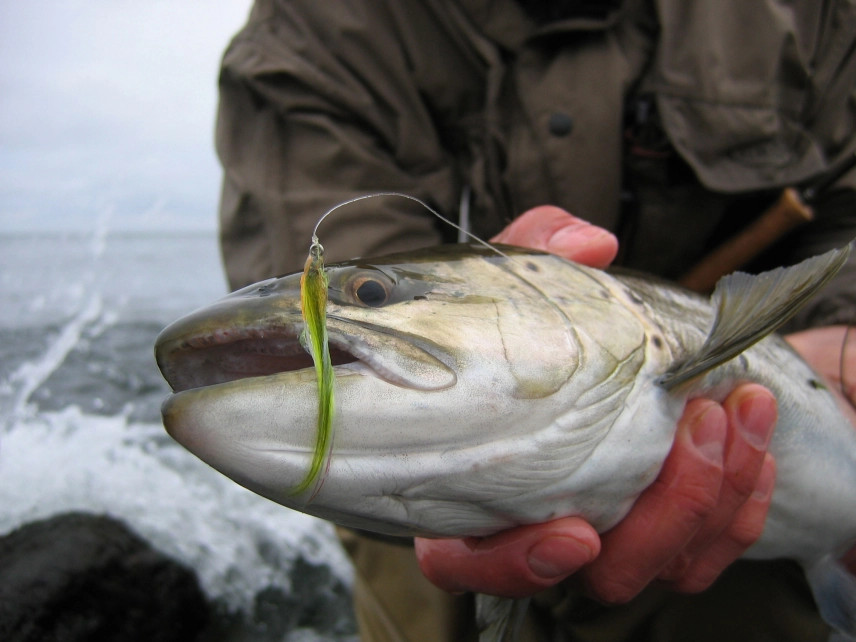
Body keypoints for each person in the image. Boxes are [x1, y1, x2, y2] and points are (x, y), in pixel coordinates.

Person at [214, 0, 856, 639]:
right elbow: (317, 351)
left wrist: (845, 332)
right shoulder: (313, 28)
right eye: (372, 294)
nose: (370, 299)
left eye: (372, 294)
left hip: (752, 560)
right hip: (418, 530)